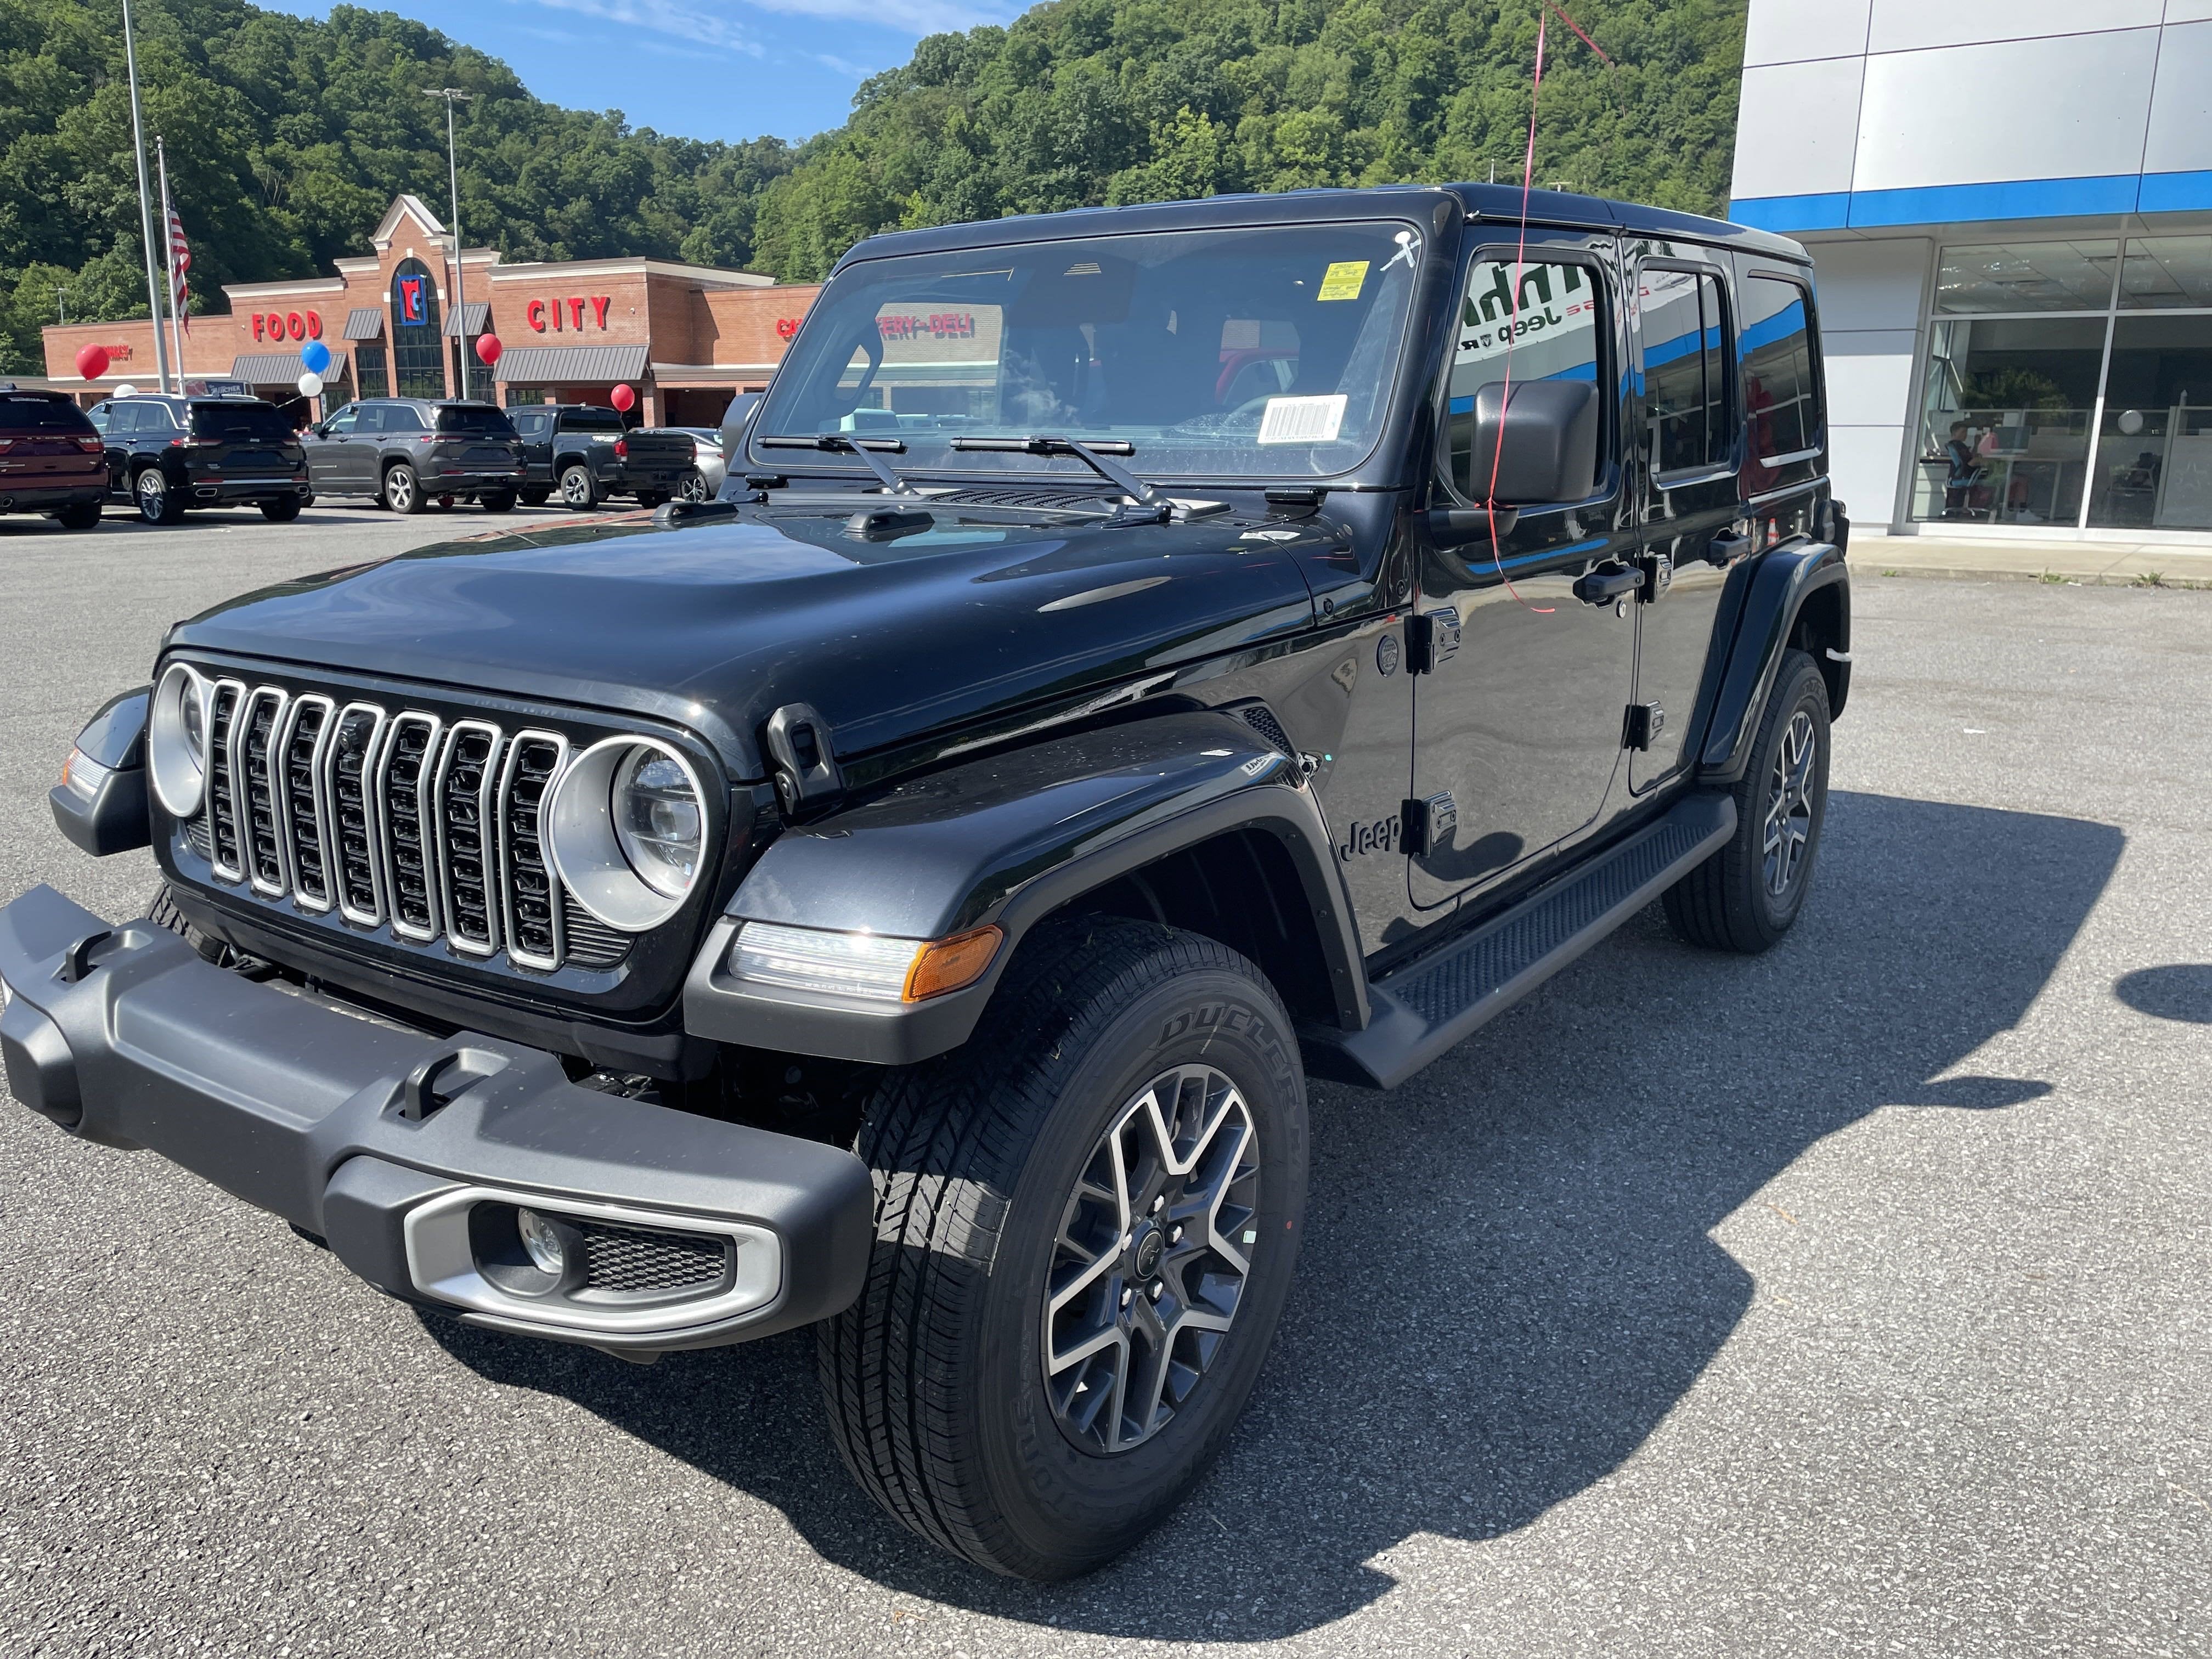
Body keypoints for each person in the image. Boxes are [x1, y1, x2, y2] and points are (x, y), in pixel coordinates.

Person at [1941, 420, 1984, 518]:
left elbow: (1968, 459)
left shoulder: (1954, 445)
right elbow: (1970, 463)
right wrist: (1985, 461)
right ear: (1955, 433)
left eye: (1966, 432)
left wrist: (1976, 445)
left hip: (1957, 476)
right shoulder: (1959, 445)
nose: (1965, 435)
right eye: (1963, 432)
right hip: (1965, 476)